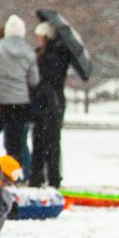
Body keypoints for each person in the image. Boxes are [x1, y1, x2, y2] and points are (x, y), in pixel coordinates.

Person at [0, 14, 39, 179]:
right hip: (20, 103)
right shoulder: (28, 53)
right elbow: (34, 80)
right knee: (15, 144)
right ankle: (14, 174)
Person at [30, 21, 73, 188]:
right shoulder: (45, 54)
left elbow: (46, 78)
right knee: (42, 140)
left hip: (50, 103)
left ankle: (50, 177)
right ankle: (41, 176)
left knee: (48, 142)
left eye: (40, 37)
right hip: (47, 102)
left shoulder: (56, 55)